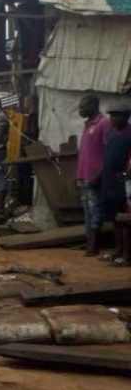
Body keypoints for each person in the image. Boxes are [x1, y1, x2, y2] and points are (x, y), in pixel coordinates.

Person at [76, 95, 109, 256]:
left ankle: (94, 245)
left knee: (95, 210)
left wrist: (99, 175)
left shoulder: (103, 123)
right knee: (88, 211)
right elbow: (84, 154)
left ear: (93, 105)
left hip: (95, 177)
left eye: (83, 107)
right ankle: (89, 241)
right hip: (84, 177)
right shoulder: (88, 124)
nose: (80, 110)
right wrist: (79, 175)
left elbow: (108, 153)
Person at [99, 103, 131, 265]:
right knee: (114, 218)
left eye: (116, 115)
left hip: (124, 184)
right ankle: (117, 250)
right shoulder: (110, 133)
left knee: (126, 220)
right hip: (109, 182)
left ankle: (127, 255)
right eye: (111, 115)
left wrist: (126, 174)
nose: (112, 118)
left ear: (126, 116)